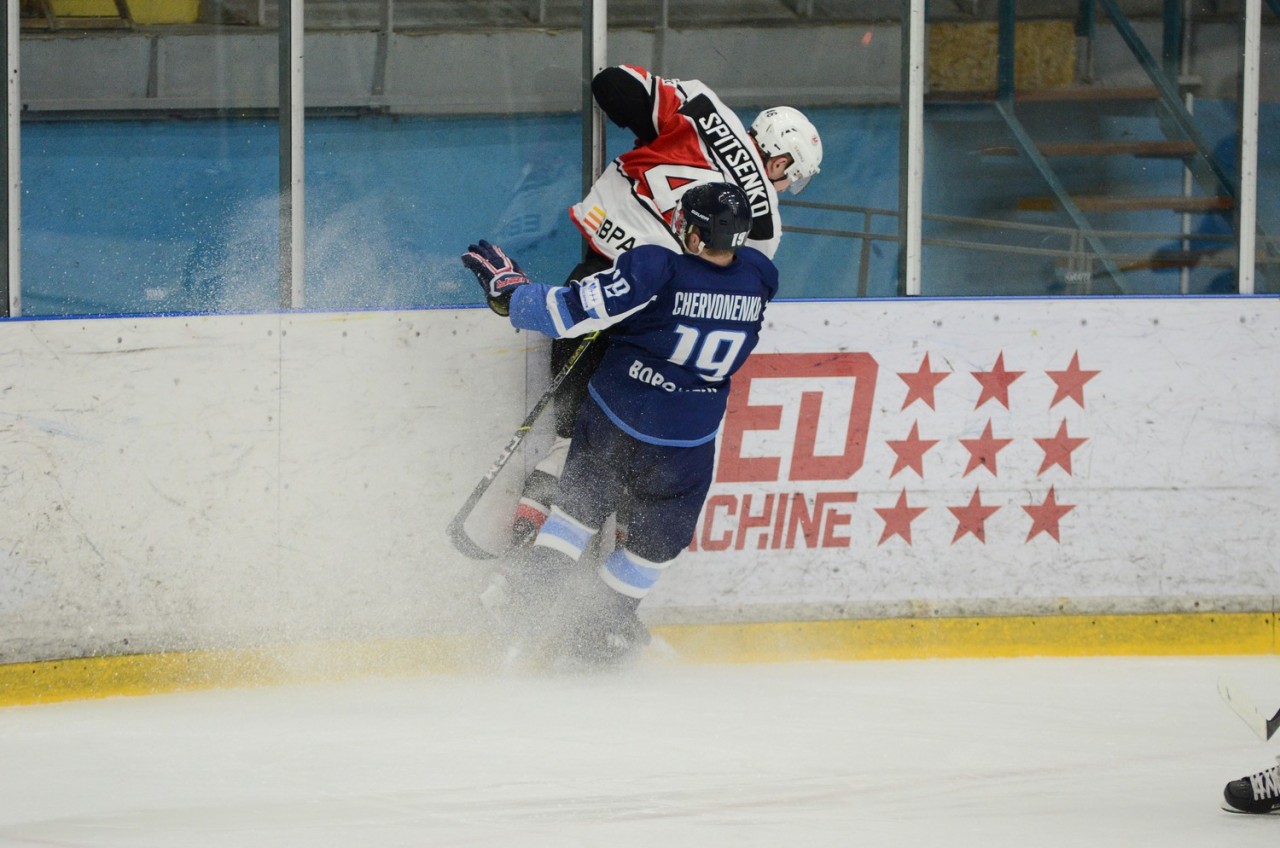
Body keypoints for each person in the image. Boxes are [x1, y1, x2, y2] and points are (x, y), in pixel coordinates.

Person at [462, 182, 778, 667]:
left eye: (686, 222)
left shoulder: (656, 266)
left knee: (571, 524)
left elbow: (563, 313)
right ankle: (595, 638)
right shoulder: (760, 276)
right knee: (651, 554)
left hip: (617, 429)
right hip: (688, 449)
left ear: (695, 235)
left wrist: (511, 294)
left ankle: (515, 621)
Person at [510, 64, 823, 549]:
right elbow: (728, 293)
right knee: (634, 462)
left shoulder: (705, 109)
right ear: (780, 162)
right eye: (790, 177)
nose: (784, 188)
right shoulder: (764, 225)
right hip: (652, 323)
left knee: (572, 442)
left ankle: (522, 549)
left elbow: (611, 86)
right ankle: (599, 591)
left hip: (594, 284)